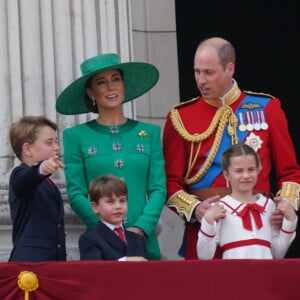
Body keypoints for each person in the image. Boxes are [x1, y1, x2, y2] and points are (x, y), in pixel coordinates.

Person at [162, 37, 300, 259]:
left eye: (209, 72)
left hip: (256, 227)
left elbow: (291, 173)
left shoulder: (267, 108)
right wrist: (195, 209)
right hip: (206, 230)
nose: (200, 80)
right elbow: (169, 182)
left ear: (229, 68)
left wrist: (284, 207)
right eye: (197, 72)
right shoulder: (180, 117)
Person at [56, 53, 166, 260]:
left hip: (144, 239)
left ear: (124, 85)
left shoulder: (149, 133)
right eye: (101, 82)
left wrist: (142, 227)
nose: (111, 87)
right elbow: (76, 192)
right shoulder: (75, 136)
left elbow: (158, 188)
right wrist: (103, 229)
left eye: (116, 79)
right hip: (101, 244)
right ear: (91, 92)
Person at [197, 143, 297, 259]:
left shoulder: (269, 205)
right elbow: (204, 257)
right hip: (234, 275)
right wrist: (208, 220)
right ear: (226, 175)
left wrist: (291, 220)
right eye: (239, 171)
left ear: (259, 170)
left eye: (251, 169)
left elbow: (276, 254)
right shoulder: (219, 208)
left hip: (265, 275)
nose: (246, 175)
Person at [8, 115, 66, 262]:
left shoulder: (48, 183)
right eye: (49, 143)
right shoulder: (19, 174)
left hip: (51, 263)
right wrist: (42, 168)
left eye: (56, 142)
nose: (56, 147)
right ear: (27, 149)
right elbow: (25, 182)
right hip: (30, 264)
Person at [79, 174, 148, 261]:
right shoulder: (89, 239)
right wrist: (124, 261)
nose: (118, 206)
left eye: (122, 200)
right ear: (95, 207)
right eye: (110, 202)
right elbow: (93, 271)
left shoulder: (137, 239)